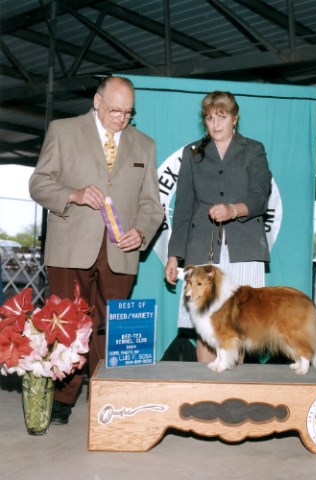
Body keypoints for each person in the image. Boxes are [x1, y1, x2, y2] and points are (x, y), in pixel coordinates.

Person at [29, 76, 164, 424]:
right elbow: (39, 183)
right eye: (115, 110)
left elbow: (153, 205)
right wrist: (71, 195)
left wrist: (143, 232)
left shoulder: (145, 145)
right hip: (70, 246)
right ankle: (62, 399)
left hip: (120, 250)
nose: (121, 118)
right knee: (68, 325)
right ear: (97, 103)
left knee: (110, 329)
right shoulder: (63, 130)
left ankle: (107, 397)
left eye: (128, 113)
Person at [164, 91, 272, 362]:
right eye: (210, 117)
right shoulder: (193, 154)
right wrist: (173, 256)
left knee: (240, 325)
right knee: (205, 327)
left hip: (245, 248)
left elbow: (260, 197)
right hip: (202, 249)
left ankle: (234, 394)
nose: (215, 123)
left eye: (221, 117)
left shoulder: (254, 150)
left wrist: (233, 210)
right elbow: (184, 208)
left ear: (234, 119)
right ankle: (205, 395)